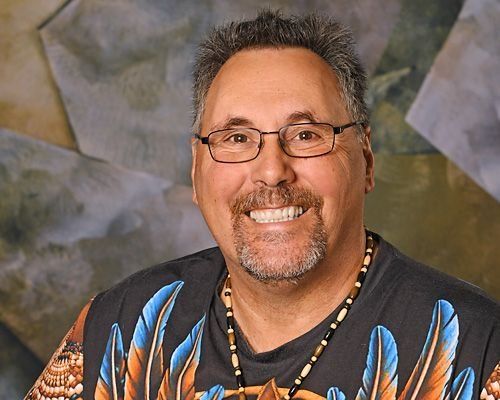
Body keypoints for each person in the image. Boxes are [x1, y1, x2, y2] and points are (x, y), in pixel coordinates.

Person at [26, 10, 499, 400]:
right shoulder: (116, 330)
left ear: (366, 160)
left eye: (306, 135)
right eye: (236, 138)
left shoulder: (480, 353)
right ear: (196, 169)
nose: (272, 171)